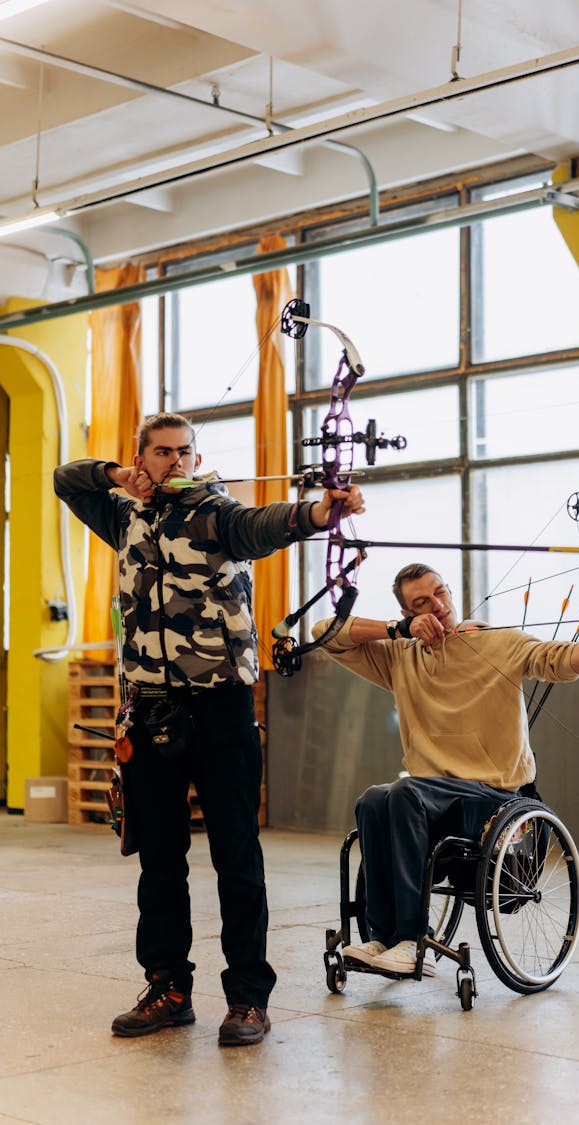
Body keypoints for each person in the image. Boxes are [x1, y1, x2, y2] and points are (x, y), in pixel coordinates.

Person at [54, 412, 364, 1047]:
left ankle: (248, 997)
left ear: (197, 458)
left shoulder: (216, 513)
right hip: (148, 708)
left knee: (236, 857)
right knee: (160, 859)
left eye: (183, 452)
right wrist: (117, 479)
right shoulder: (122, 515)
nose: (174, 461)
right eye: (161, 452)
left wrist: (319, 514)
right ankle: (168, 987)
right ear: (140, 459)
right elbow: (66, 479)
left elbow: (268, 524)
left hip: (221, 708)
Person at [312, 562, 579, 977]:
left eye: (440, 592)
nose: (437, 605)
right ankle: (384, 936)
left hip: (494, 795)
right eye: (421, 602)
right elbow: (324, 633)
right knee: (373, 798)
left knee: (404, 793)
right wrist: (397, 631)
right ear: (408, 614)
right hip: (430, 794)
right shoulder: (399, 657)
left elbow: (559, 658)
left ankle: (412, 939)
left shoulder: (499, 642)